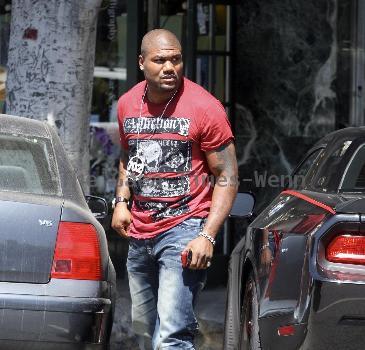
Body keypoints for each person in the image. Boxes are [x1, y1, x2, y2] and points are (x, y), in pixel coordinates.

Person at [112, 29, 238, 350]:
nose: (169, 67)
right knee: (144, 334)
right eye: (160, 60)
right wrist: (122, 201)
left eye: (176, 59)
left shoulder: (205, 107)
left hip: (184, 232)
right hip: (140, 235)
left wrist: (207, 235)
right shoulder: (128, 104)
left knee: (171, 336)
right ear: (142, 63)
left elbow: (227, 175)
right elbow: (129, 156)